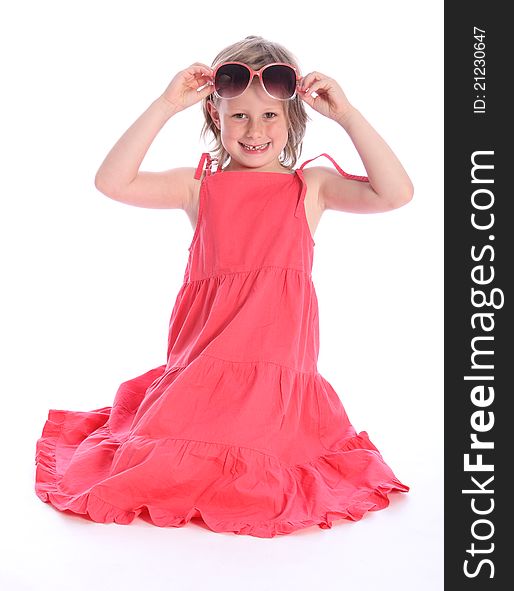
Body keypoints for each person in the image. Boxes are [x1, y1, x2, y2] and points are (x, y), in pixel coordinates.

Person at [35, 35, 413, 538]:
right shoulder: (200, 187)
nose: (254, 129)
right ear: (216, 117)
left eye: (270, 116)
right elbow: (113, 182)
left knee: (258, 475)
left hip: (275, 385)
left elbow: (396, 193)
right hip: (203, 377)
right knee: (171, 464)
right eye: (239, 116)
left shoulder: (311, 187)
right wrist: (167, 104)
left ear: (293, 119)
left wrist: (347, 115)